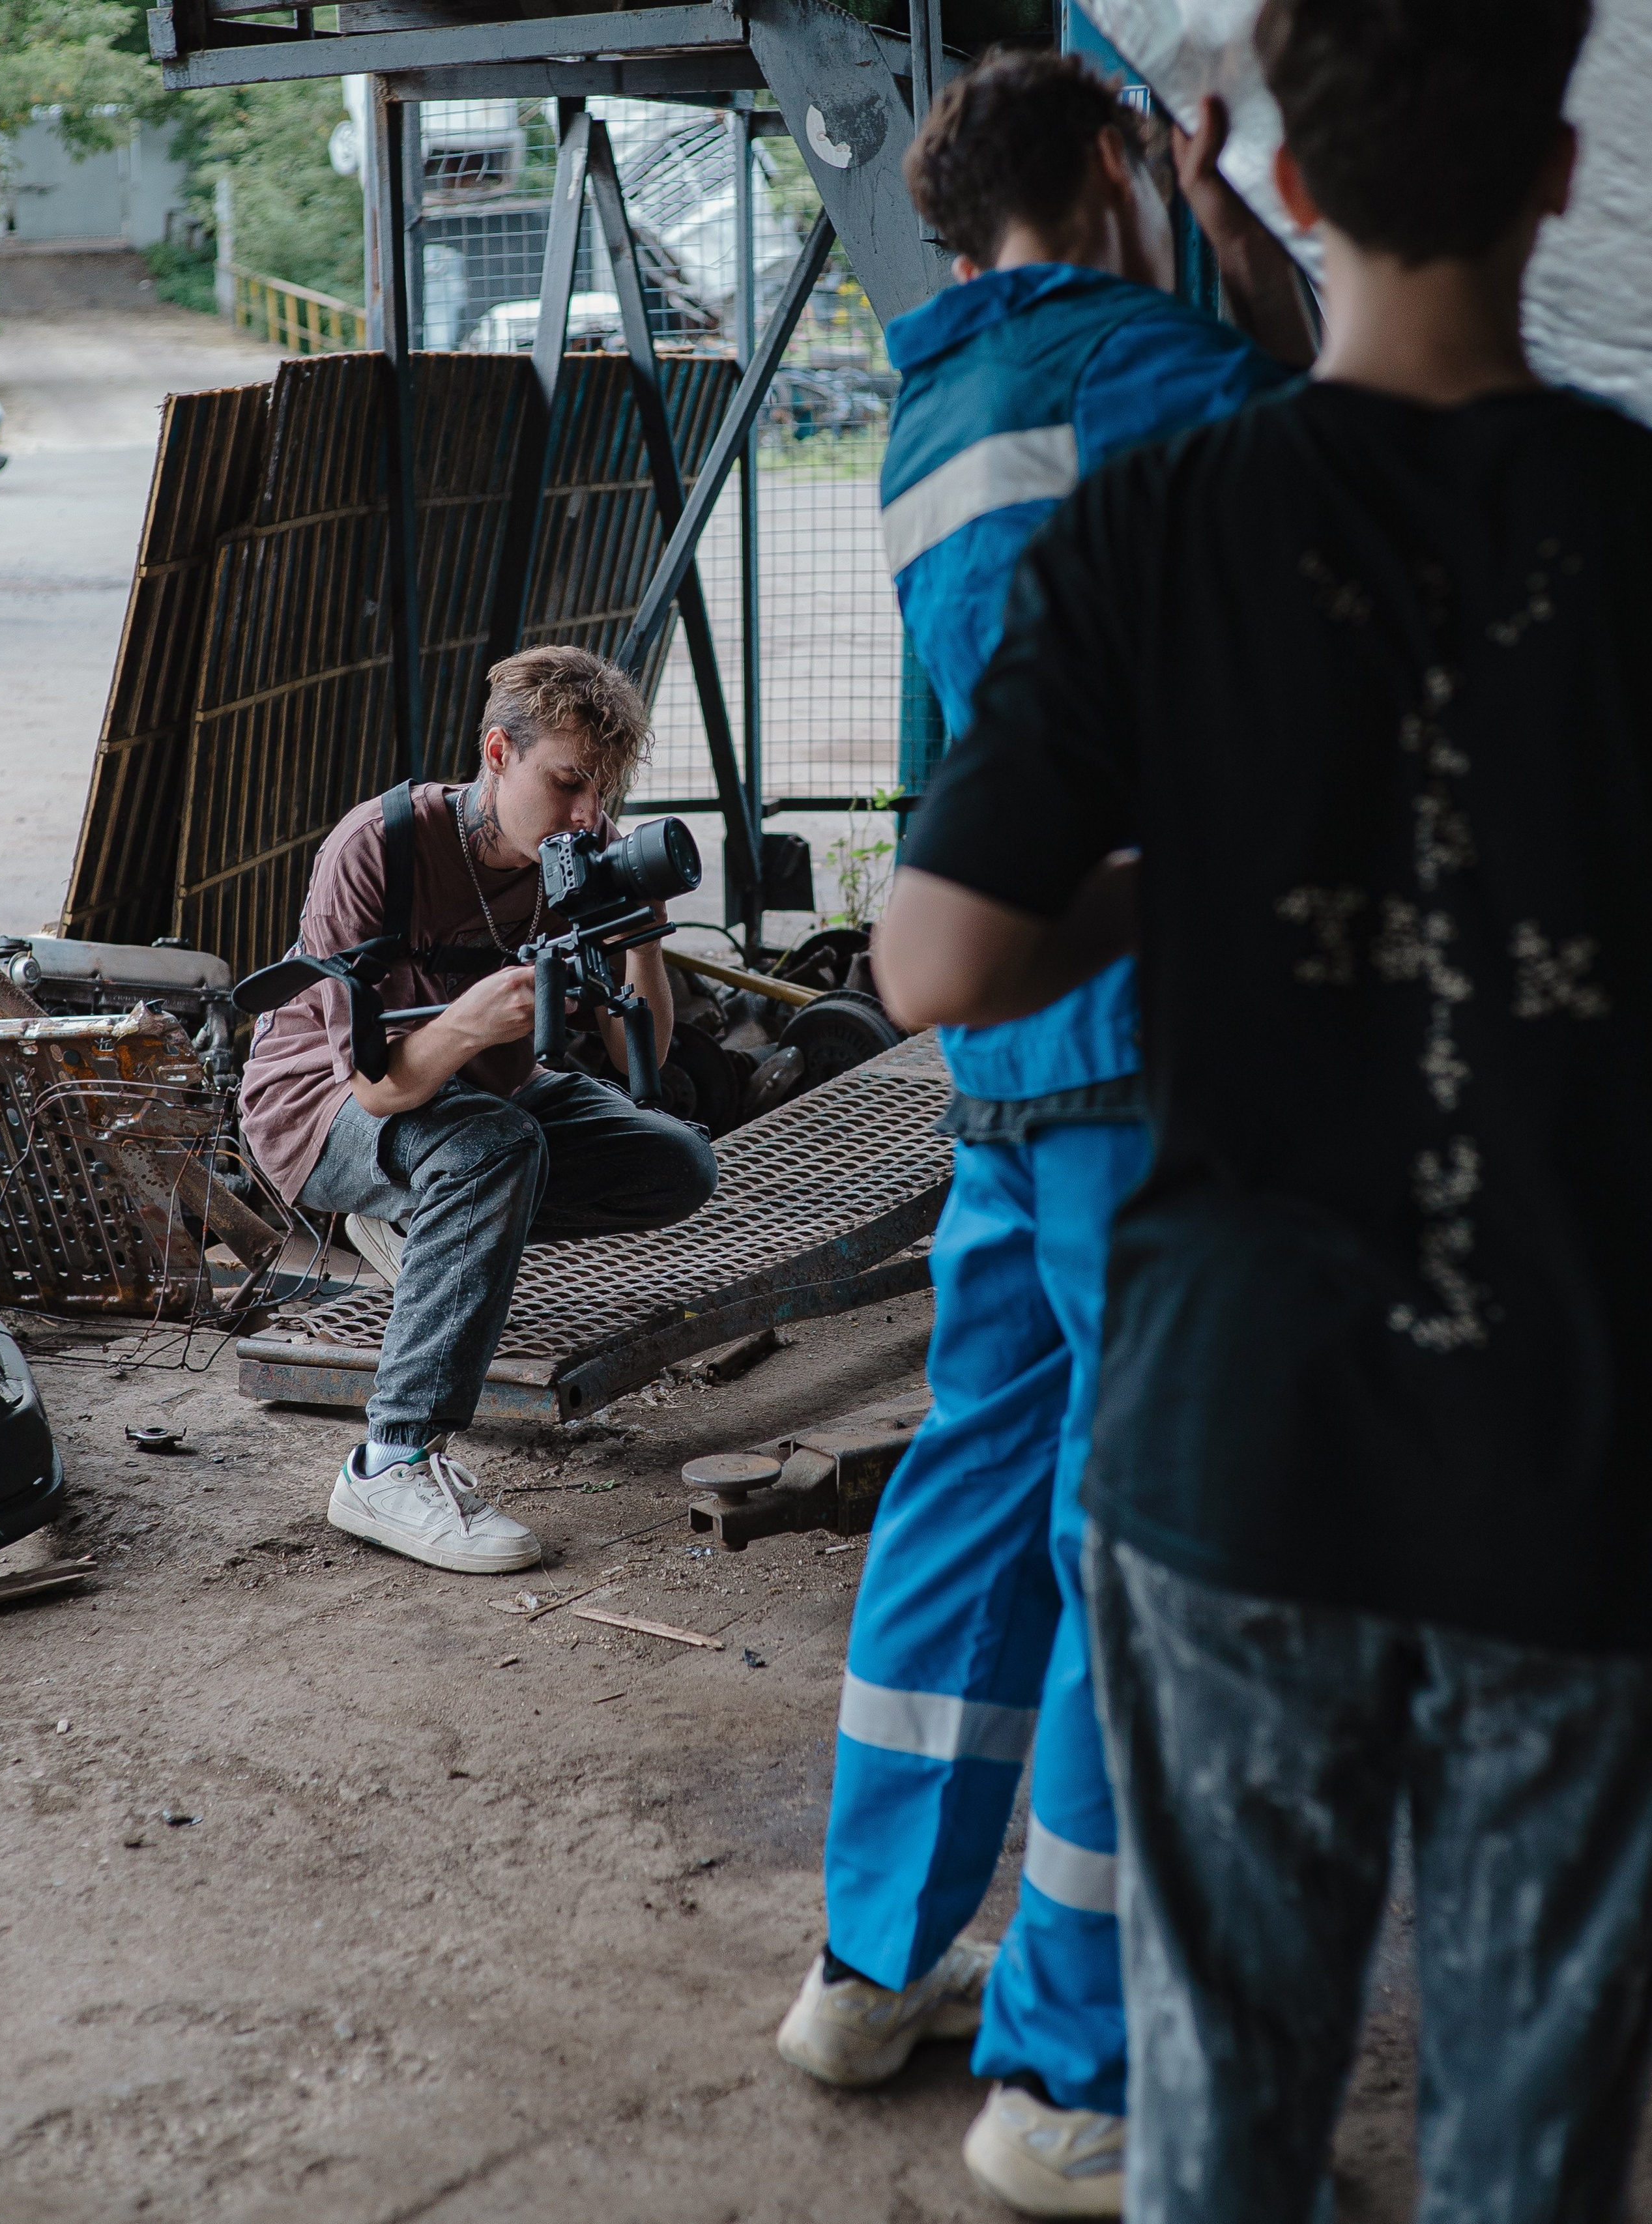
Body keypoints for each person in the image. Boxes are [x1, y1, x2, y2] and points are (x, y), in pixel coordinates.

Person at [874, 1, 1652, 2216]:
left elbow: (934, 961)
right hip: (1569, 1458)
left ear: (1293, 183)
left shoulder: (1168, 513)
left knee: (1220, 2130)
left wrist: (1180, 872)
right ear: (1564, 179)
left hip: (1238, 1450)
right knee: (1537, 2142)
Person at [775, 51, 1309, 2217]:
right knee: (1139, 1553)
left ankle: (866, 1966)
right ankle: (1070, 2080)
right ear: (1119, 168)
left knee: (973, 1492)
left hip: (993, 1054)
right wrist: (1234, 214)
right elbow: (1354, 422)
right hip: (1142, 1042)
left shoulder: (927, 414)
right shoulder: (1160, 377)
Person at [239, 646, 717, 1574]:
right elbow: (378, 1087)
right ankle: (390, 1461)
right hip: (323, 1102)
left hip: (482, 1097)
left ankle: (451, 1228)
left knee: (677, 1162)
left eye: (601, 789)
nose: (586, 813)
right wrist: (466, 1026)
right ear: (497, 752)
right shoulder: (378, 846)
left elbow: (642, 1057)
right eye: (567, 781)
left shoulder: (578, 849)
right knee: (493, 1147)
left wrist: (640, 929)